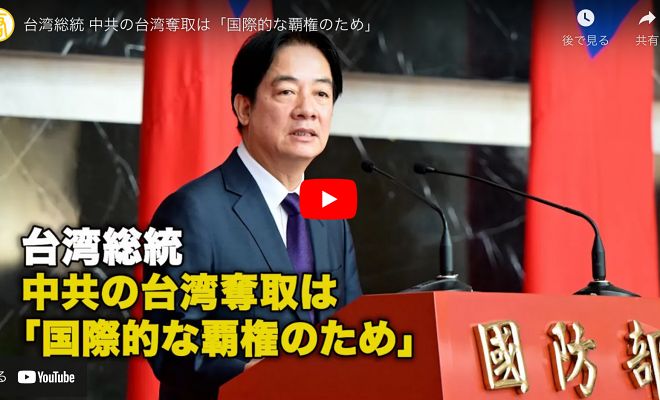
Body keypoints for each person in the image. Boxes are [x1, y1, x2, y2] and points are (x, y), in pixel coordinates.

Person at [145, 30, 362, 399]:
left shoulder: (330, 216)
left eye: (321, 94)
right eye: (287, 92)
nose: (307, 109)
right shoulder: (191, 212)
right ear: (244, 108)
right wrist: (256, 372)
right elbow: (167, 343)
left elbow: (353, 326)